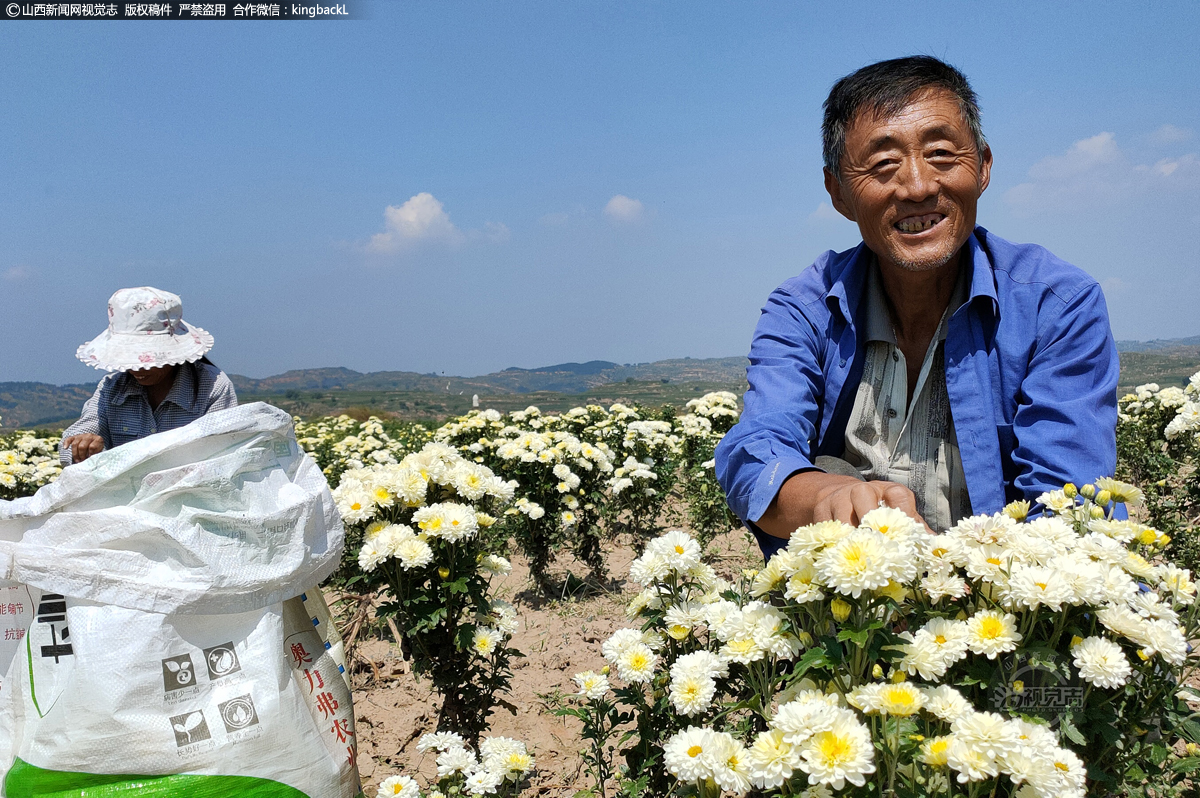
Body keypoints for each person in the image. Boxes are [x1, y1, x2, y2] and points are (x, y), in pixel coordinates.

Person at [714, 56, 1120, 559]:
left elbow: (1070, 504)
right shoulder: (804, 307)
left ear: (984, 165)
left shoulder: (1055, 305)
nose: (918, 186)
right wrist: (831, 498)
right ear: (837, 191)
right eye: (883, 164)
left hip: (1011, 601)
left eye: (942, 154)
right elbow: (755, 452)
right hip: (854, 608)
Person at [59, 286, 238, 465]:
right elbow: (73, 440)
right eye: (129, 357)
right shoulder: (112, 389)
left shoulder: (212, 387)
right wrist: (84, 446)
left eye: (145, 359)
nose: (137, 369)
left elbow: (223, 454)